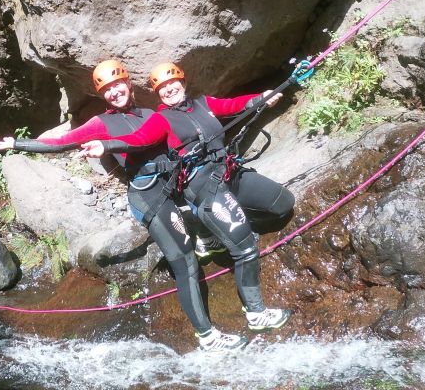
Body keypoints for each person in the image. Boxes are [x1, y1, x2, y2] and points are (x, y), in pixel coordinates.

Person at [0, 59, 248, 351]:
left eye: (117, 85)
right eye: (107, 90)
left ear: (128, 84)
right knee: (185, 261)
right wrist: (16, 144)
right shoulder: (101, 124)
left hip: (171, 186)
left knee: (204, 201)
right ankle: (208, 338)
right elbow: (63, 142)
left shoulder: (152, 113)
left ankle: (203, 235)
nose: (114, 92)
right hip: (149, 196)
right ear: (103, 96)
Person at [80, 62, 293, 334]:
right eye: (162, 88)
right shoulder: (160, 118)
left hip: (229, 172)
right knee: (244, 246)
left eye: (173, 84)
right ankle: (255, 313)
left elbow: (232, 106)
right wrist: (106, 144)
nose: (169, 90)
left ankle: (212, 230)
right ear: (156, 93)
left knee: (283, 203)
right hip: (203, 186)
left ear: (183, 82)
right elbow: (139, 140)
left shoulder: (203, 103)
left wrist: (259, 98)